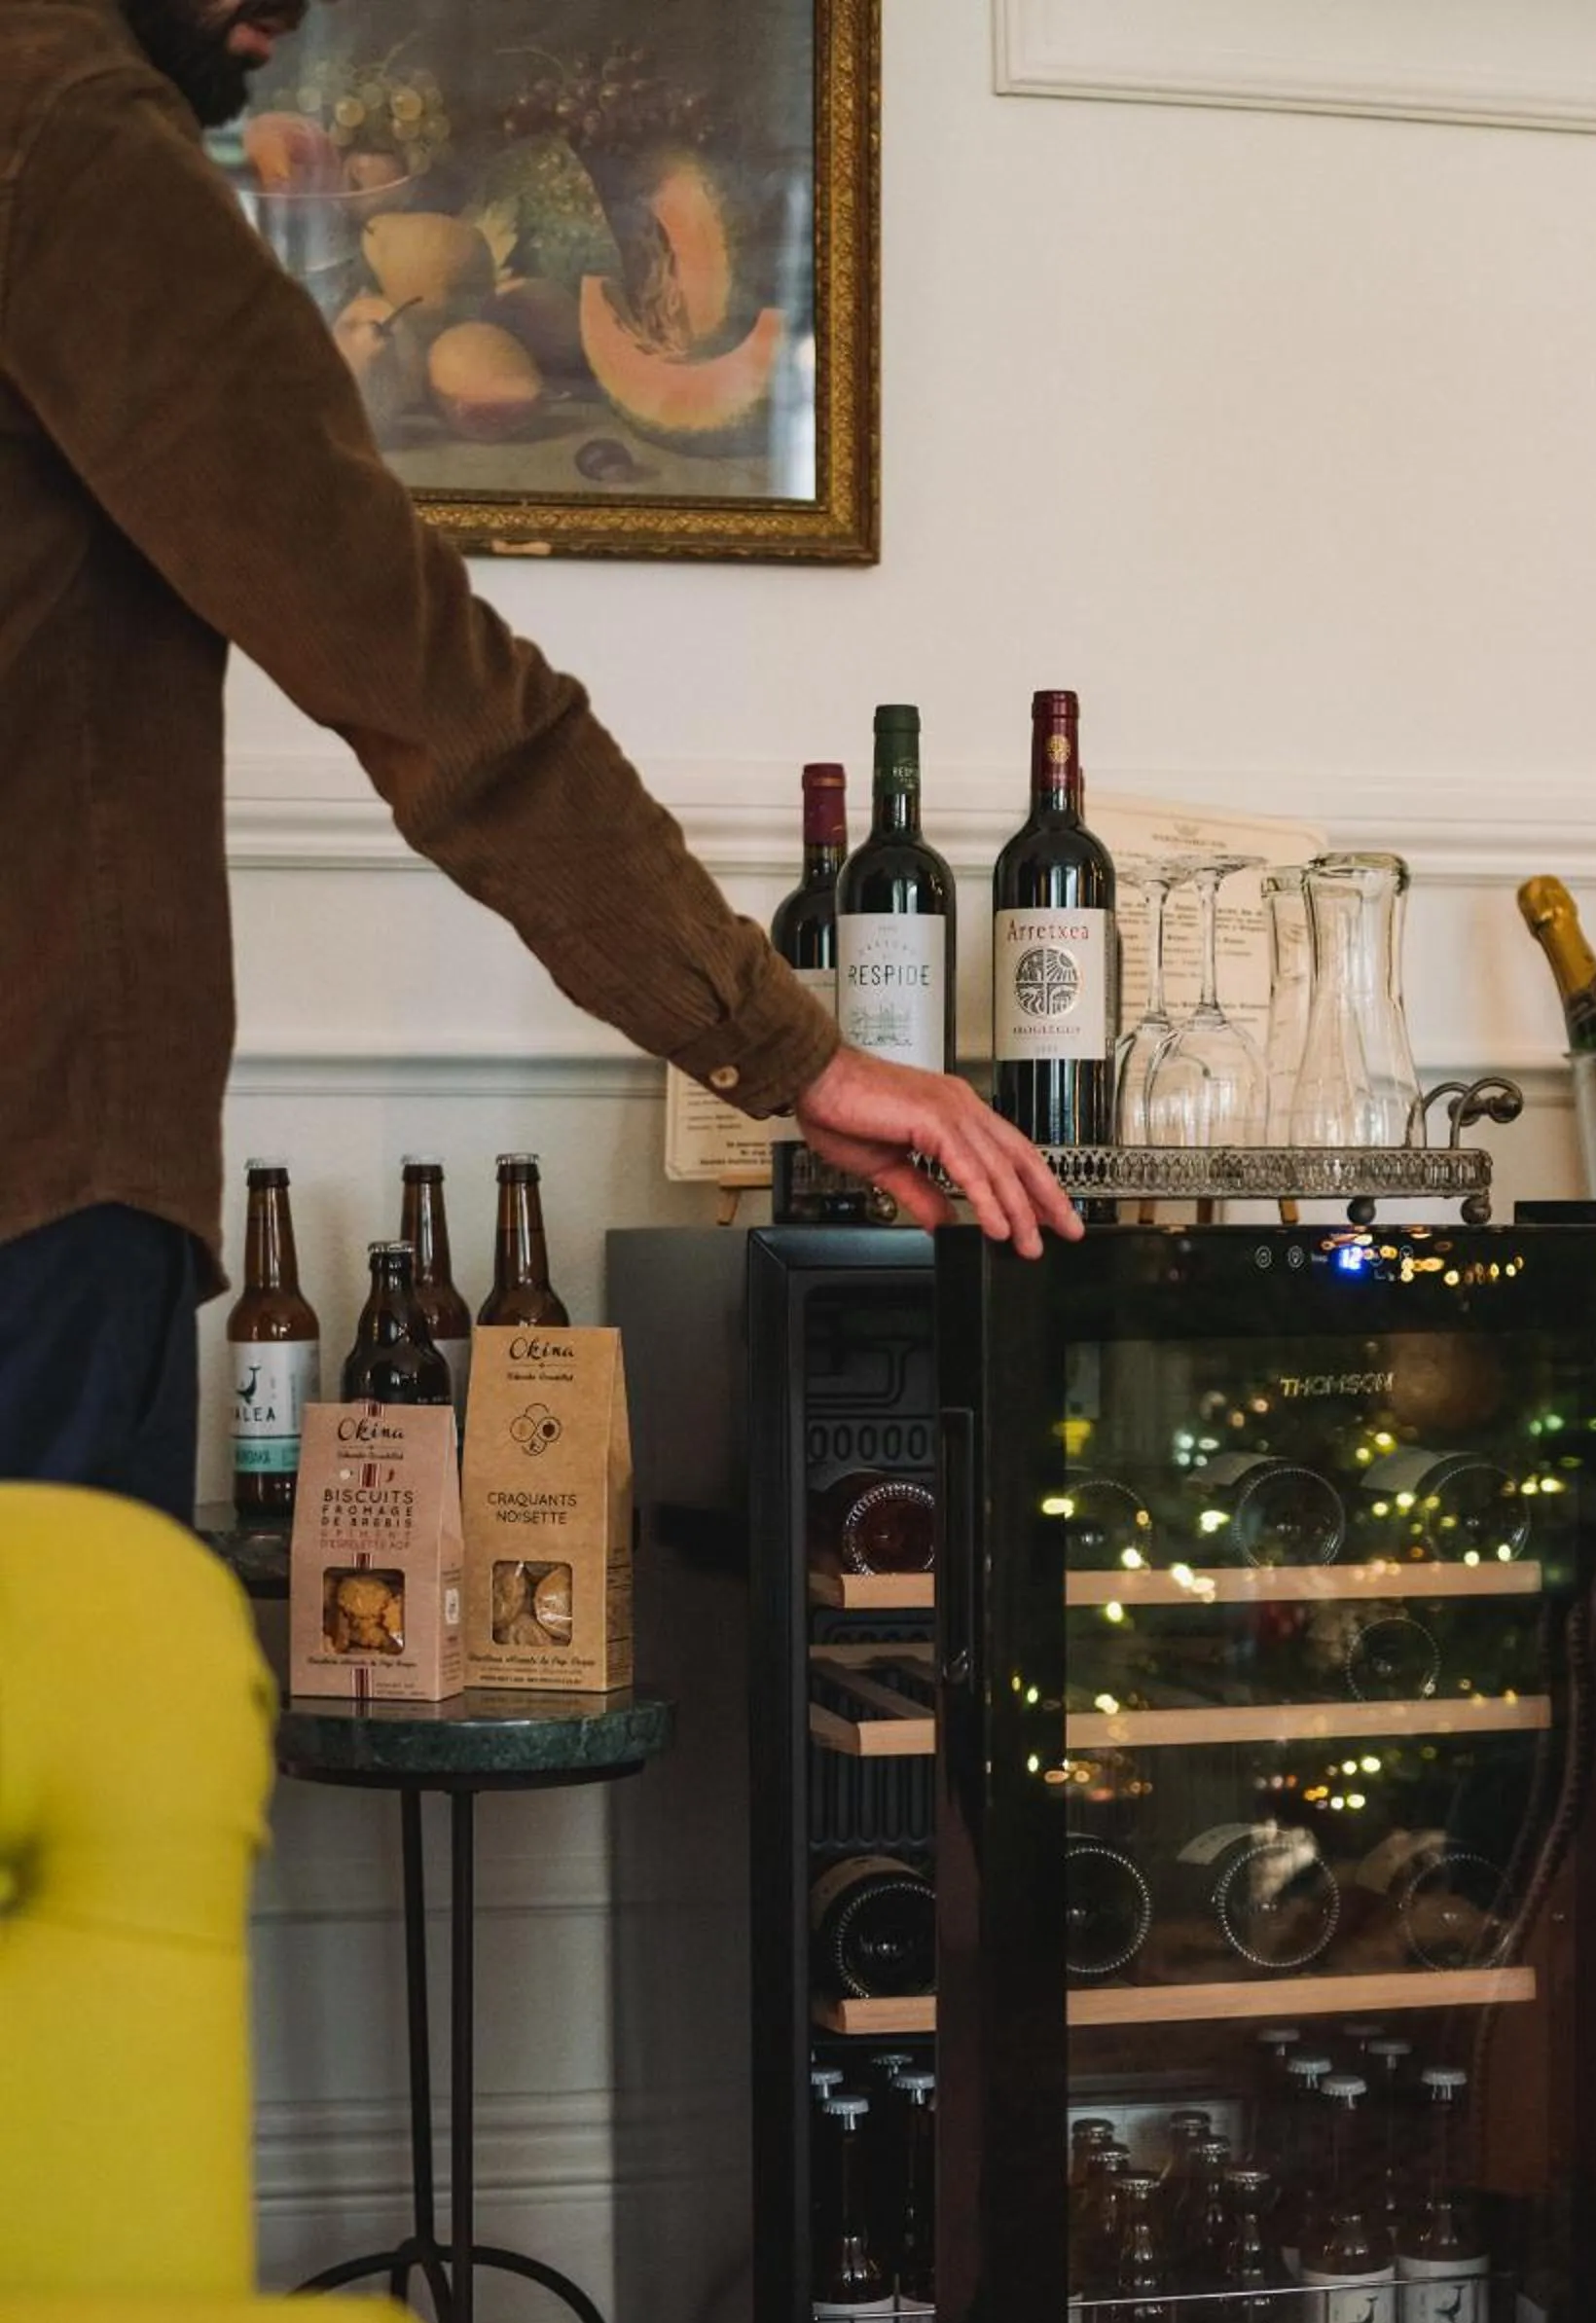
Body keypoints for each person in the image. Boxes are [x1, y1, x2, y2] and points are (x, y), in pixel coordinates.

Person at [0, 0, 1079, 1523]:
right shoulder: (67, 128)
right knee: (64, 1680)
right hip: (35, 1171)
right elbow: (412, 663)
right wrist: (790, 1052)